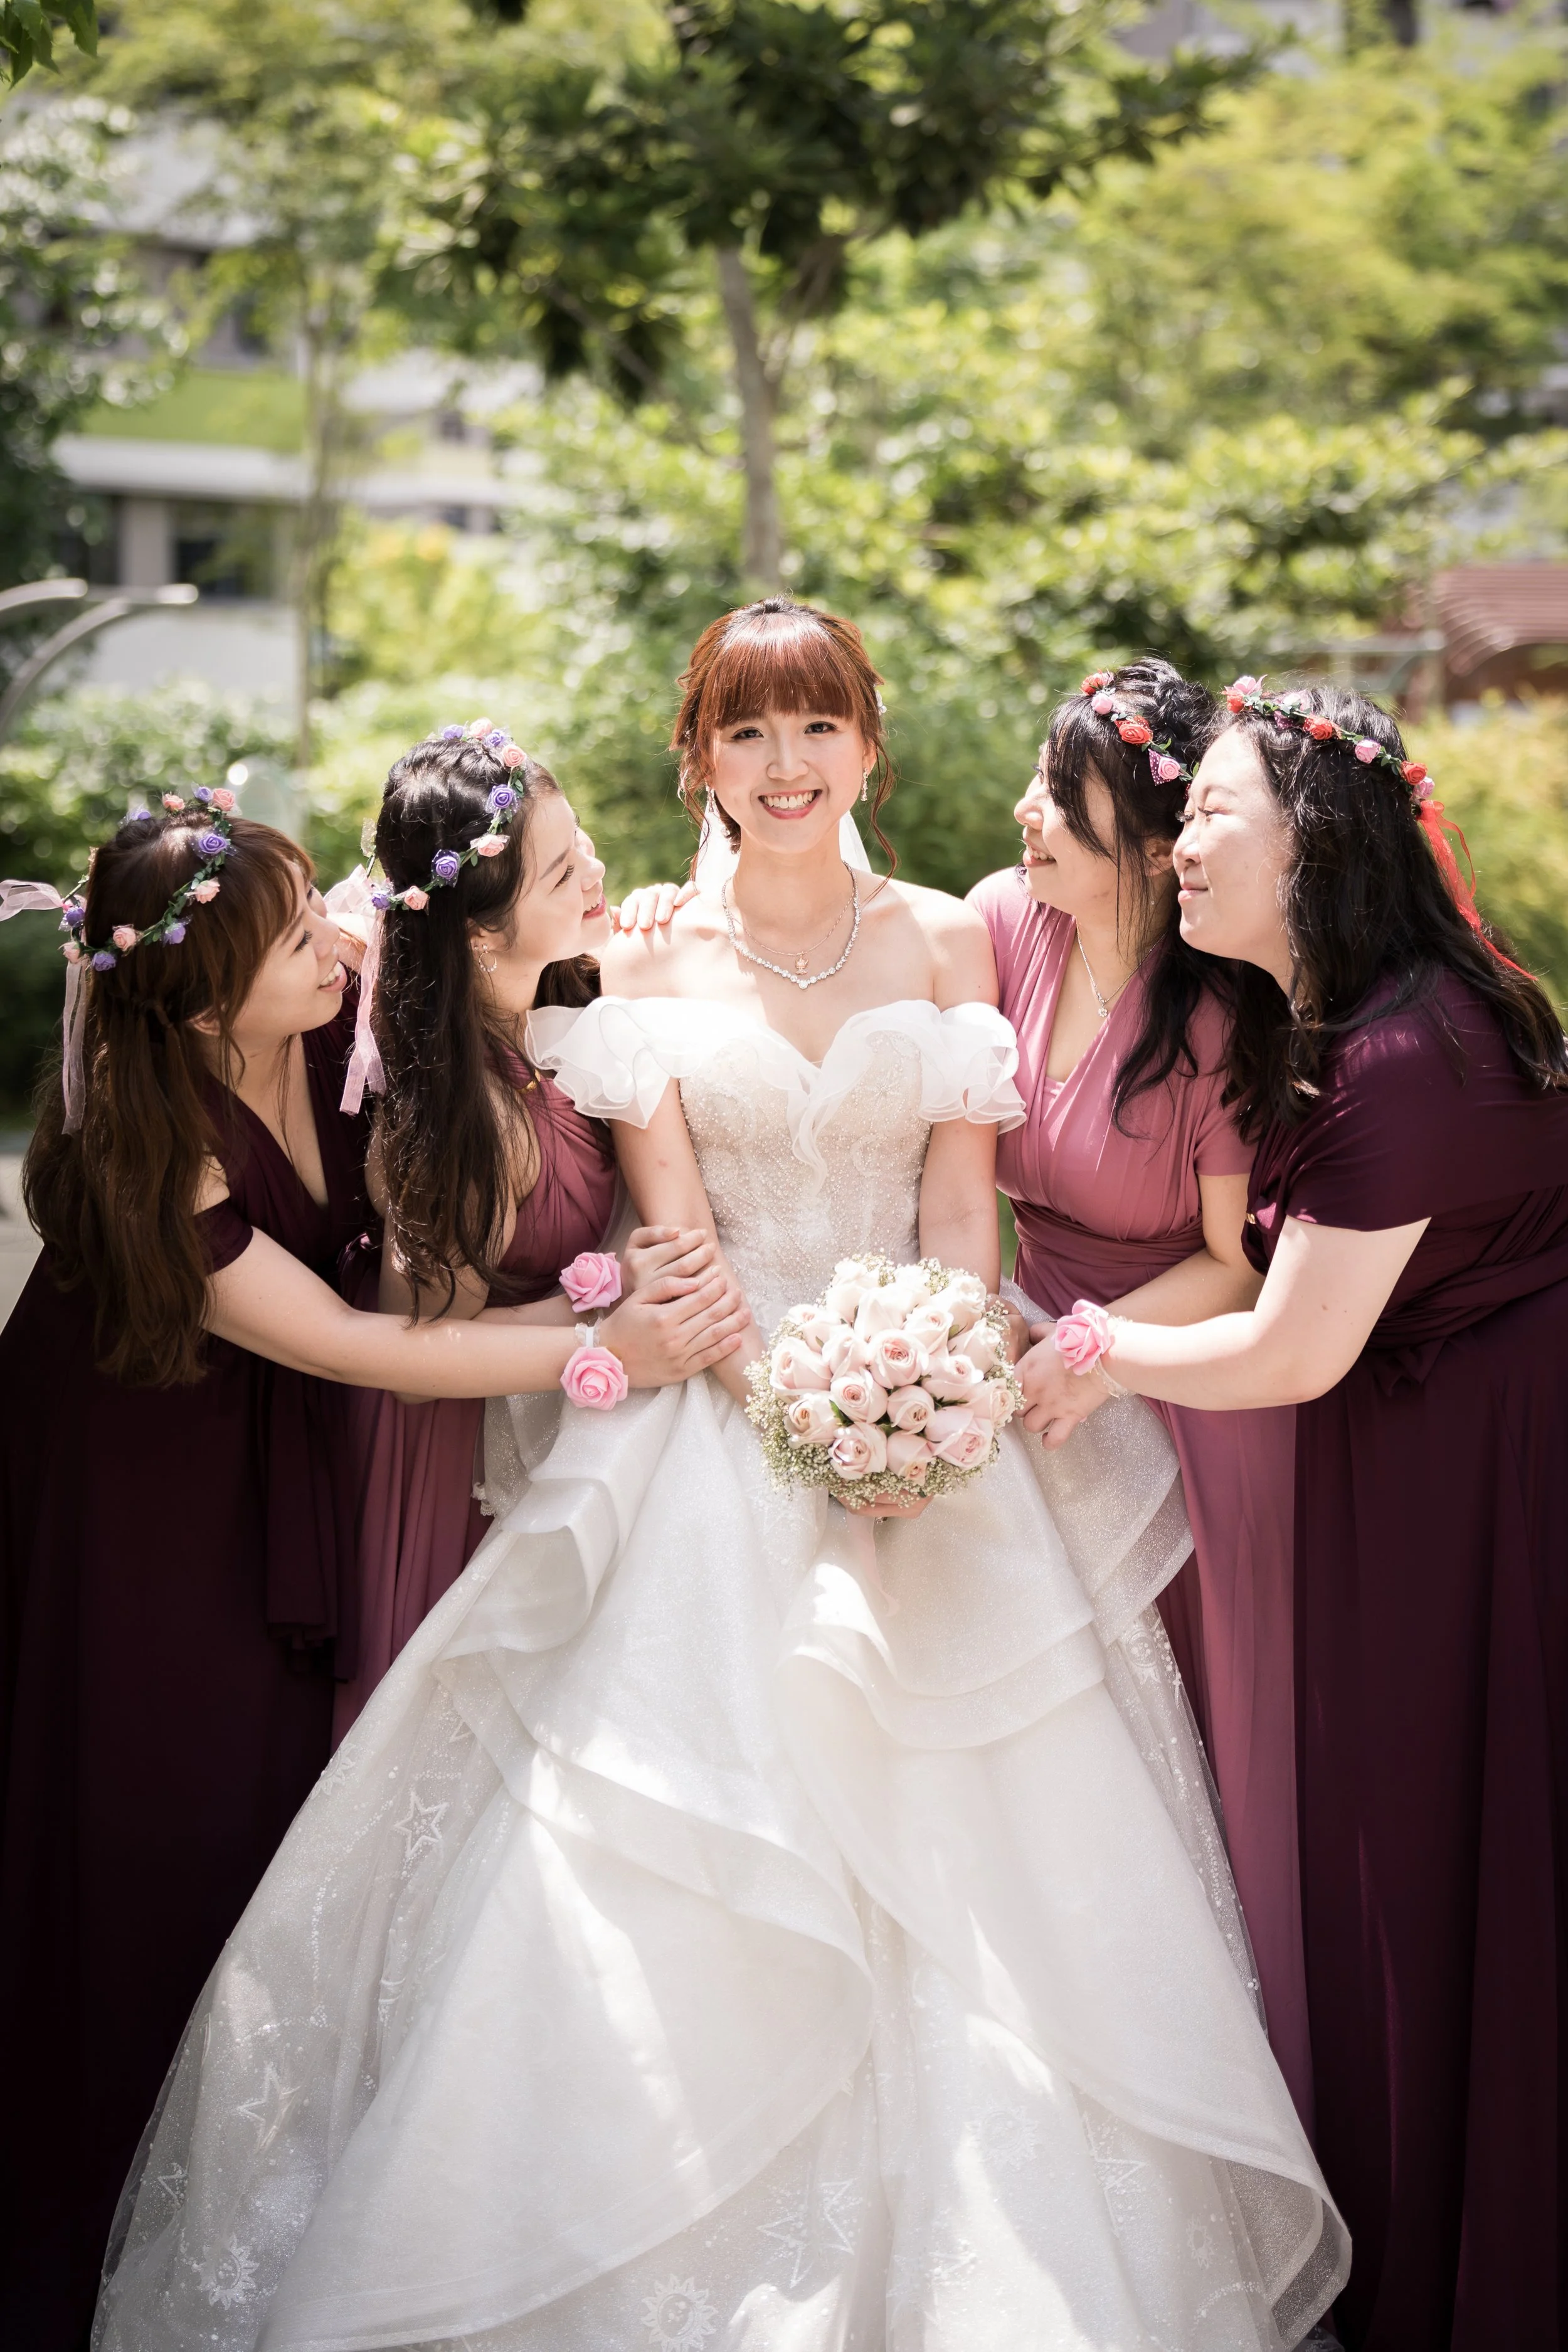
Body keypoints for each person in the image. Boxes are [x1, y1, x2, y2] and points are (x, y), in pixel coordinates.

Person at [97, 603, 1343, 2352]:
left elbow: (950, 1201)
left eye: (815, 727)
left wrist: (917, 1398)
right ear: (697, 757)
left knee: (1006, 1856)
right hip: (721, 1404)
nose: (783, 767)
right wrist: (813, 1426)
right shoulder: (643, 969)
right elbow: (675, 1237)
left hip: (932, 1393)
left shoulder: (946, 940)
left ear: (867, 743)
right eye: (745, 734)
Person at [0, 799, 746, 2352]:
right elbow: (348, 1340)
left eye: (310, 915)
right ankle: (91, 2219)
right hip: (139, 1489)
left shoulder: (329, 990)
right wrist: (605, 1355)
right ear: (207, 1002)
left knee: (282, 1804)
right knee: (149, 1826)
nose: (326, 943)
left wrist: (619, 928)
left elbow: (453, 932)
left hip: (299, 1437)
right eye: (290, 941)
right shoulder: (144, 1152)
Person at [1017, 679, 1568, 2350]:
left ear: (1311, 838)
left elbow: (1289, 1345)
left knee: (1437, 1842)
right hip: (1415, 1447)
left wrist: (1100, 1353)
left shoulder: (1400, 1057)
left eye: (1211, 817)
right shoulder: (1352, 1014)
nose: (1179, 844)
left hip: (1470, 1468)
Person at [967, 659, 1311, 2126]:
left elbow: (1233, 1266)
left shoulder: (1217, 1006)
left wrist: (1091, 1355)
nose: (1028, 816)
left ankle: (1217, 2071)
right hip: (1009, 1346)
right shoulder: (995, 922)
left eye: (1063, 797)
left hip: (1175, 1375)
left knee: (1182, 1734)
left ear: (1146, 833)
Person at [330, 723, 722, 1732]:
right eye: (563, 873)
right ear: (480, 932)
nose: (595, 868)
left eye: (582, 837)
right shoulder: (463, 1119)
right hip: (453, 1453)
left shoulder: (561, 1001)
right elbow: (417, 1352)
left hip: (553, 1422)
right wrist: (594, 1325)